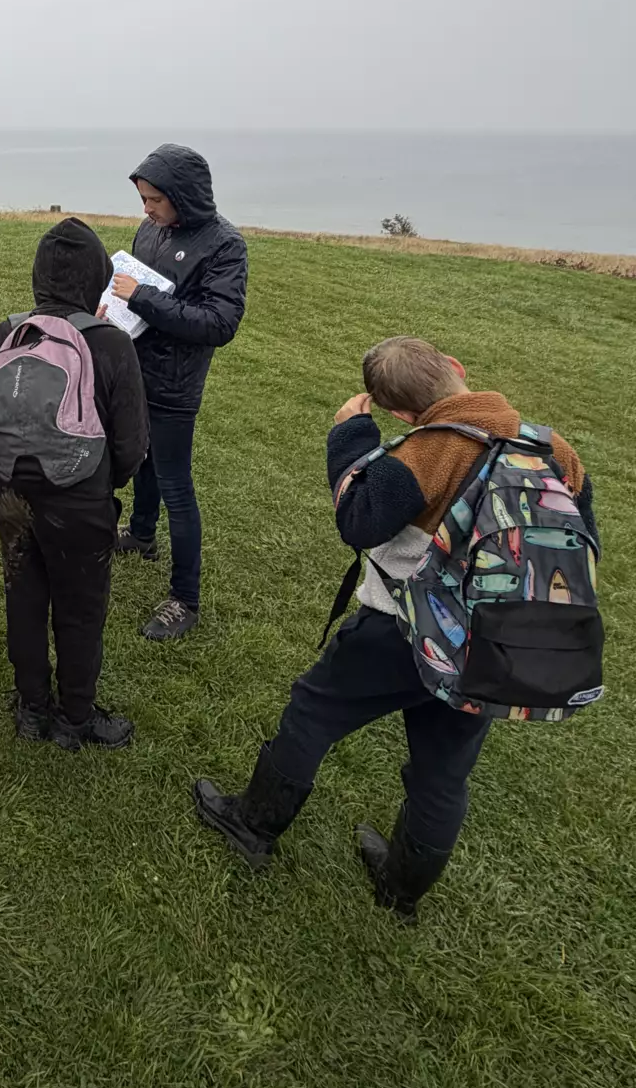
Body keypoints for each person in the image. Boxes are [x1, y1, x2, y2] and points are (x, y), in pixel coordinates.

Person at [192, 337, 597, 922]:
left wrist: (350, 438)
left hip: (404, 628)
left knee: (312, 710)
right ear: (457, 369)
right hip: (495, 644)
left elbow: (360, 523)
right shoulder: (555, 449)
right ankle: (400, 890)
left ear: (402, 415)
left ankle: (252, 824)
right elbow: (585, 544)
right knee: (443, 770)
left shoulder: (430, 450)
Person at [0, 220, 148, 748]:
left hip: (11, 495)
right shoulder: (111, 343)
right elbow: (132, 445)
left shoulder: (7, 332)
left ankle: (31, 708)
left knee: (23, 598)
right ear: (97, 278)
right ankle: (76, 717)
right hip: (81, 503)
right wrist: (98, 484)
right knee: (80, 608)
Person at [109, 145, 247, 641]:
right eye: (143, 199)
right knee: (139, 460)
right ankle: (141, 535)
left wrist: (140, 298)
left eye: (155, 201)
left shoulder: (224, 245)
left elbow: (219, 322)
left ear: (183, 198)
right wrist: (114, 308)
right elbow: (132, 283)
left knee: (175, 484)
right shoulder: (151, 228)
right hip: (134, 367)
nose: (146, 210)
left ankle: (184, 599)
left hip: (174, 383)